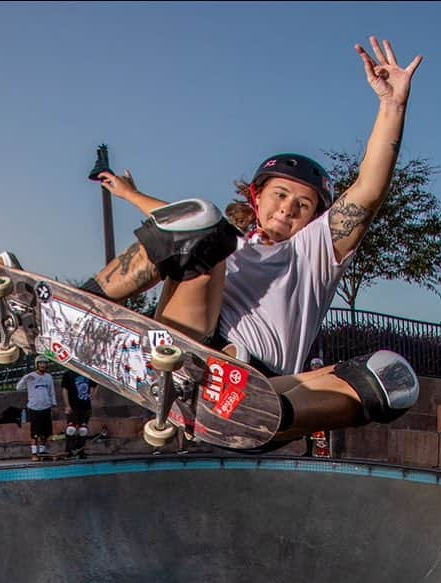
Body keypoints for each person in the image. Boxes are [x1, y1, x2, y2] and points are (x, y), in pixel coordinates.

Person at [80, 36, 423, 447]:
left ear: (315, 217)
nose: (288, 209)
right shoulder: (228, 241)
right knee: (202, 223)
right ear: (257, 197)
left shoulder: (314, 251)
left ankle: (244, 416)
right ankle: (74, 312)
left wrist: (392, 106)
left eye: (303, 205)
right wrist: (127, 193)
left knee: (392, 377)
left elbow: (368, 190)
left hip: (266, 390)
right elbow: (176, 216)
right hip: (188, 349)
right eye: (280, 195)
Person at [16, 355, 57, 460]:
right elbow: (19, 388)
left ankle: (42, 451)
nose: (43, 365)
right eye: (41, 363)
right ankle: (34, 453)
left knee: (45, 432)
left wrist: (53, 404)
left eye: (44, 363)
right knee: (35, 432)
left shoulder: (48, 377)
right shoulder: (30, 376)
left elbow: (51, 392)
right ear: (37, 364)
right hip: (34, 408)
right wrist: (25, 378)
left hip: (46, 407)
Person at [62, 369, 95, 458]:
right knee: (71, 429)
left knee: (83, 430)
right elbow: (65, 390)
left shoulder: (88, 372)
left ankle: (80, 450)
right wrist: (67, 405)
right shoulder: (68, 373)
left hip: (85, 406)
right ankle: (68, 450)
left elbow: (94, 384)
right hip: (73, 406)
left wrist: (92, 395)